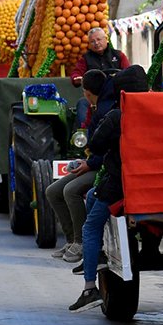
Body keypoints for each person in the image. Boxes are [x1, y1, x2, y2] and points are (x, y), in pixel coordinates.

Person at [70, 65, 149, 311]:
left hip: (121, 185)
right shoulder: (160, 110)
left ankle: (89, 287)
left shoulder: (117, 116)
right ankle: (99, 255)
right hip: (150, 184)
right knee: (93, 195)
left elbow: (95, 144)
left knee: (90, 227)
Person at [46, 70, 115, 263]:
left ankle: (82, 242)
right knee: (53, 191)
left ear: (87, 92)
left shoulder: (106, 110)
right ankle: (71, 240)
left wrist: (89, 164)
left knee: (70, 190)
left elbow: (108, 149)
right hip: (94, 163)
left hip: (107, 168)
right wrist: (87, 162)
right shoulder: (99, 107)